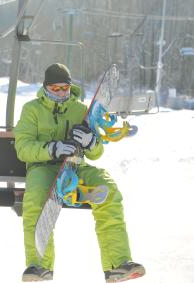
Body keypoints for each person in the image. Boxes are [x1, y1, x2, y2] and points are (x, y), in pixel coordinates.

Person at [13, 63, 145, 282]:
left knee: (108, 188)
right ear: (46, 88)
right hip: (43, 167)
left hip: (75, 166)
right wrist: (52, 148)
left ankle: (117, 263)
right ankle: (39, 266)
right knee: (35, 199)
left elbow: (97, 152)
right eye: (55, 89)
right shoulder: (32, 109)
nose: (61, 93)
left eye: (64, 88)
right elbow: (23, 147)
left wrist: (91, 142)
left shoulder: (80, 110)